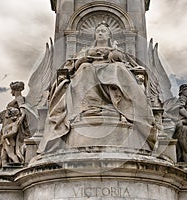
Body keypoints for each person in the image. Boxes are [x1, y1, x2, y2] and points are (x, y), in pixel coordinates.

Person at [38, 22, 157, 153]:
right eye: (98, 31)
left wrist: (114, 56)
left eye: (103, 31)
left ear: (109, 35)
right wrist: (84, 59)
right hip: (90, 70)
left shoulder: (116, 49)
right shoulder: (85, 50)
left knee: (119, 69)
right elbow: (74, 64)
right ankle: (90, 107)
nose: (100, 33)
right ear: (94, 34)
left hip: (110, 69)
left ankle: (125, 110)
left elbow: (125, 62)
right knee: (85, 69)